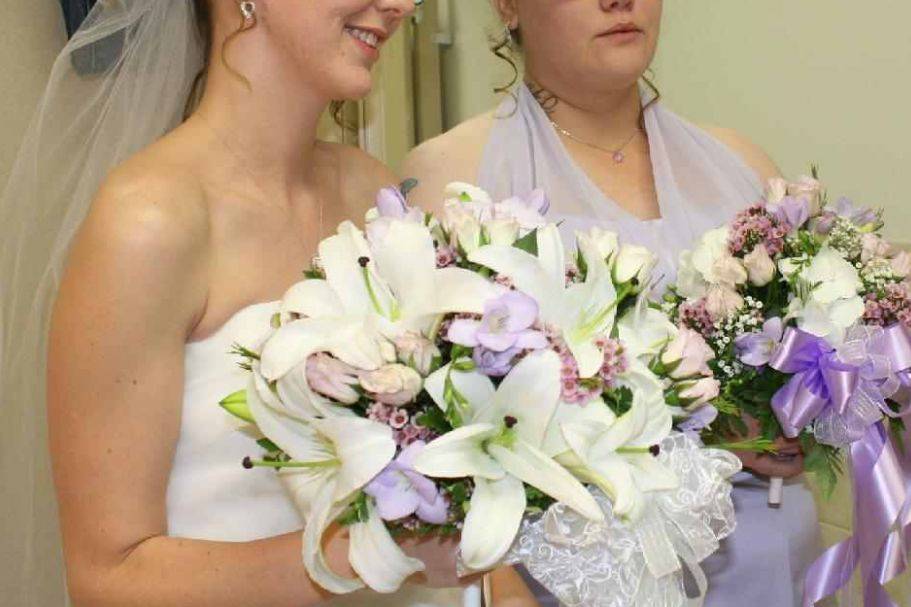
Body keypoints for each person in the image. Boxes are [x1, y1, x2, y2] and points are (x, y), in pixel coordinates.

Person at [0, 1, 471, 605]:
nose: (403, 5)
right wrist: (376, 549)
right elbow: (106, 578)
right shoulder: (150, 220)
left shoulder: (368, 190)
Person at [403, 1, 820, 605]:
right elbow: (444, 432)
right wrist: (706, 435)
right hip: (584, 579)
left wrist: (806, 419)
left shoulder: (743, 164)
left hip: (771, 565)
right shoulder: (452, 175)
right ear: (508, 7)